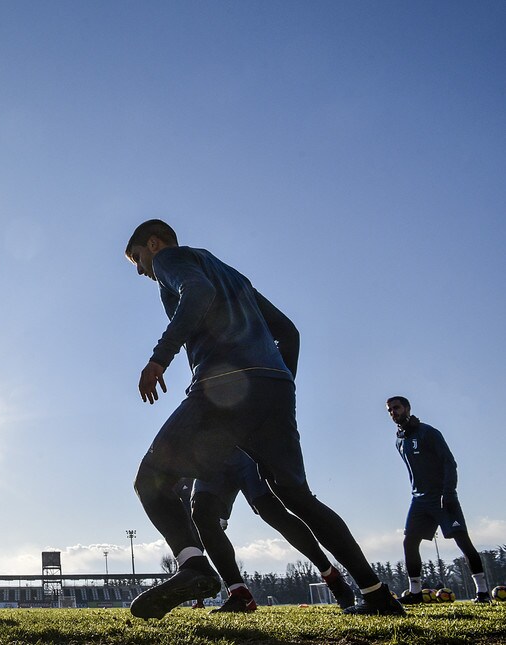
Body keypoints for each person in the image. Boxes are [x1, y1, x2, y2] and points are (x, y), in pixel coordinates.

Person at [123, 219, 403, 618]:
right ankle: (377, 596)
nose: (140, 269)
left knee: (150, 479)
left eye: (137, 257)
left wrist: (159, 357)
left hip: (223, 388)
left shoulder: (172, 259)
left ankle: (194, 568)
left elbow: (196, 292)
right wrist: (279, 380)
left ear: (153, 243)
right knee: (299, 499)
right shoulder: (233, 276)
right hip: (273, 390)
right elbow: (288, 331)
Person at [190, 450, 356, 612]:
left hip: (245, 447)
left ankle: (331, 575)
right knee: (201, 513)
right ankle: (239, 594)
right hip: (211, 452)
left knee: (271, 511)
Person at [386, 396, 491, 604]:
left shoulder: (429, 433)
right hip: (418, 500)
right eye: (389, 410)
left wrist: (449, 492)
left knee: (462, 540)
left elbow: (449, 463)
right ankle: (415, 593)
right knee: (409, 542)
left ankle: (483, 592)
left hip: (442, 496)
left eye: (396, 408)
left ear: (407, 408)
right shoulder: (399, 440)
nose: (393, 412)